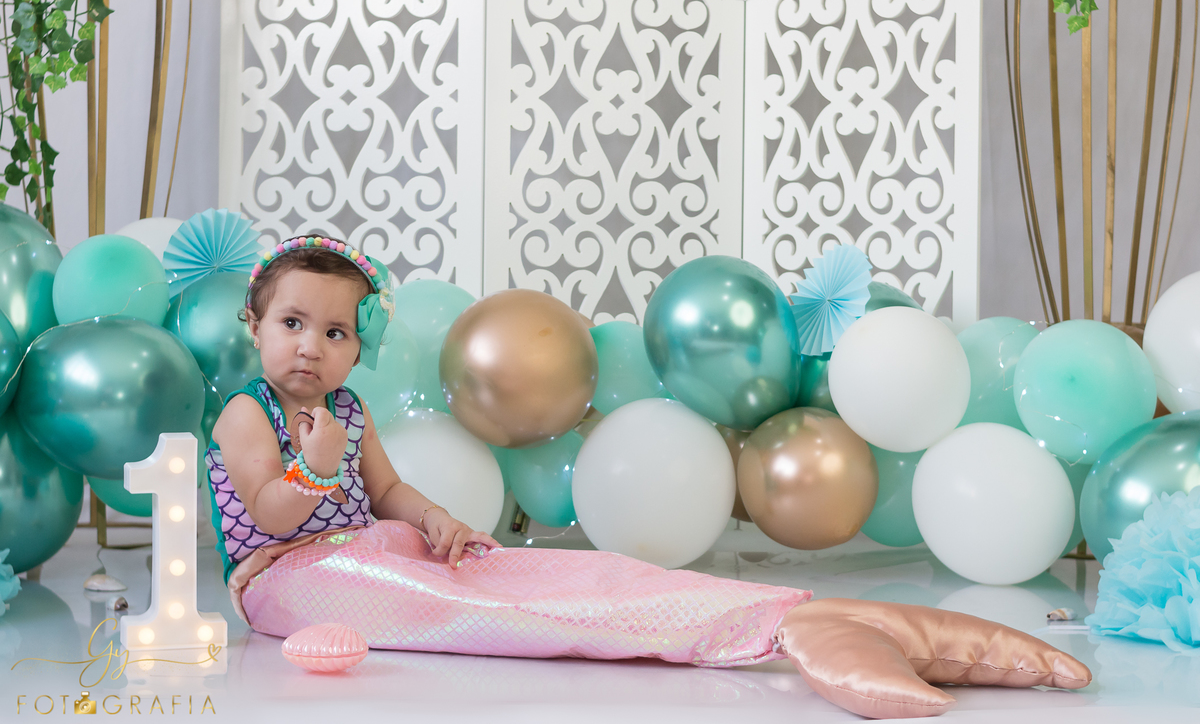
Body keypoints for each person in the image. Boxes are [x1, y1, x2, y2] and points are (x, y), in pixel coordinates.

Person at [207, 235, 1091, 719]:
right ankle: (763, 635)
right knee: (484, 611)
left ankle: (808, 617)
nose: (311, 348)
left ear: (358, 347)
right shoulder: (248, 414)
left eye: (336, 333)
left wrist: (433, 517)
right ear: (255, 325)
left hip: (370, 547)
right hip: (285, 581)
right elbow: (275, 511)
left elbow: (389, 491)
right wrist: (316, 473)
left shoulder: (351, 415)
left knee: (535, 569)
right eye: (292, 323)